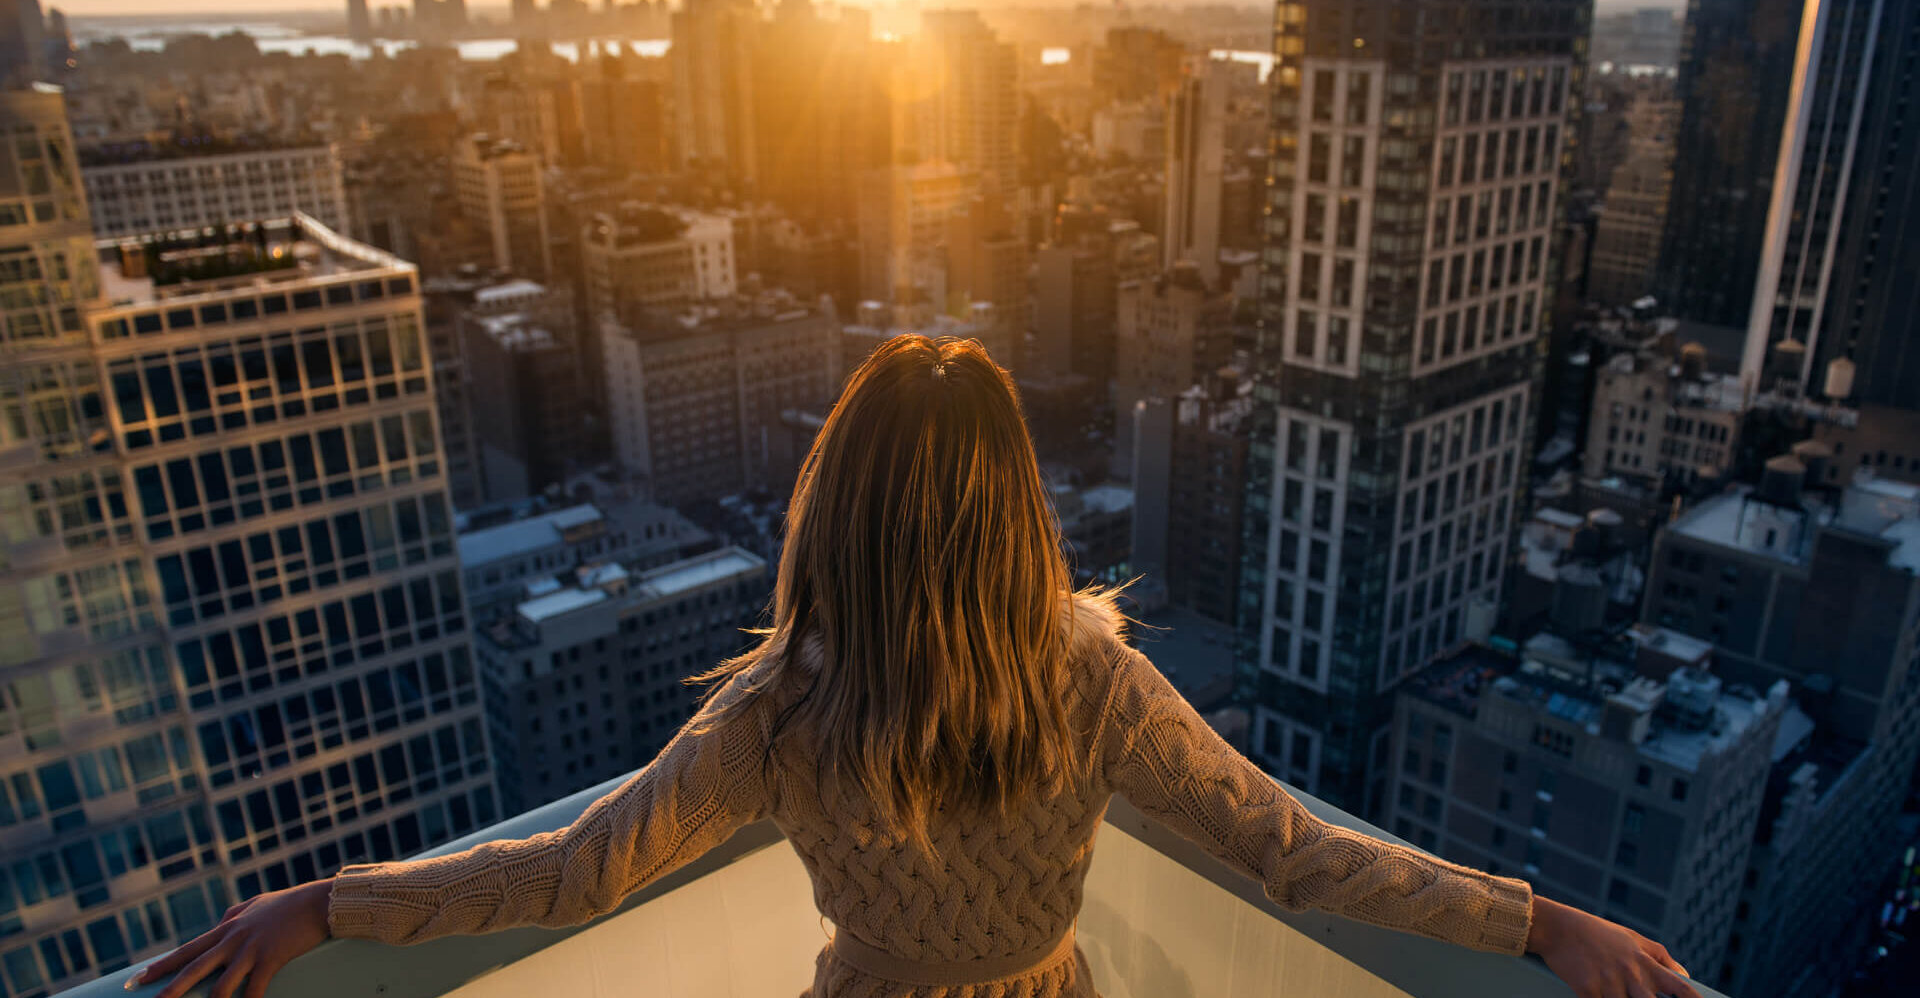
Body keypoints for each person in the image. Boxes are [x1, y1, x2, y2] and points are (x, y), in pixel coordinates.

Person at [128, 337, 1698, 998]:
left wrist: (321, 908)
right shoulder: (1090, 682)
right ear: (1015, 505)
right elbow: (1296, 853)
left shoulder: (783, 712)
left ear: (841, 503)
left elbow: (575, 872)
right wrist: (1545, 923)